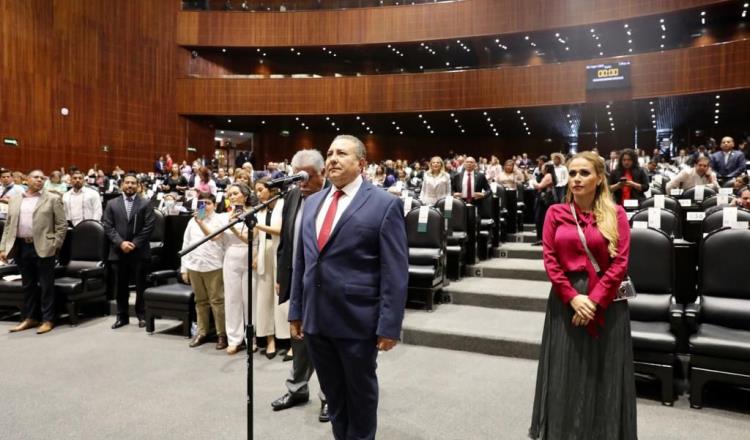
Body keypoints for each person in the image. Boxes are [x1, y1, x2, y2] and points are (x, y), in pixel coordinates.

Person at [289, 135, 408, 440]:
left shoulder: (384, 204)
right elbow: (302, 261)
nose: (332, 159)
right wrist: (296, 310)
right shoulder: (313, 202)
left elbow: (394, 271)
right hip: (316, 320)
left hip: (358, 320)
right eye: (329, 153)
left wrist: (389, 325)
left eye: (342, 153)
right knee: (334, 397)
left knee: (360, 396)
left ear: (361, 164)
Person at [529, 151, 636, 440]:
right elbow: (550, 260)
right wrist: (573, 297)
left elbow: (620, 264)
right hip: (566, 301)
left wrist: (594, 299)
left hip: (607, 301)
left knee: (604, 372)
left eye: (584, 173)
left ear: (599, 178)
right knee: (566, 371)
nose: (576, 178)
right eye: (573, 173)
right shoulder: (555, 212)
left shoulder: (616, 214)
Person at [271, 149, 329, 420]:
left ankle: (329, 396)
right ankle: (297, 388)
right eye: (298, 177)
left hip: (324, 286)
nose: (302, 184)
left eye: (307, 177)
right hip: (296, 280)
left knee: (326, 342)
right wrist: (282, 277)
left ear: (323, 174)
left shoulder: (333, 198)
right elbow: (285, 240)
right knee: (298, 337)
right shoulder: (293, 195)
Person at [0, 170, 67, 334]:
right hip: (22, 247)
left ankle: (48, 319)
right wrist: (3, 247)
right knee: (28, 285)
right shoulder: (15, 200)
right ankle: (30, 317)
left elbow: (61, 225)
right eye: (36, 177)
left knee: (46, 285)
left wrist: (54, 244)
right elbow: (8, 225)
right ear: (26, 180)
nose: (39, 180)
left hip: (44, 246)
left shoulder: (52, 198)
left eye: (42, 178)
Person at [103, 173, 156, 329]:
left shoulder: (146, 203)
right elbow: (107, 226)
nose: (130, 185)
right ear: (122, 185)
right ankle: (122, 316)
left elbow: (149, 227)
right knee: (120, 286)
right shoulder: (112, 203)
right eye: (127, 183)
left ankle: (142, 315)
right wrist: (121, 243)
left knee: (141, 286)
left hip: (139, 251)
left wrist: (133, 243)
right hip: (119, 251)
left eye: (133, 183)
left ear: (138, 185)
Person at [180, 192, 227, 350]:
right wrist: (184, 268)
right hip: (194, 265)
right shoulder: (191, 222)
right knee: (200, 301)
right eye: (201, 203)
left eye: (208, 203)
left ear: (214, 205)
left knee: (217, 301)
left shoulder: (219, 219)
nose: (204, 206)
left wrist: (200, 222)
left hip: (213, 265)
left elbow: (214, 236)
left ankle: (222, 334)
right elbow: (186, 243)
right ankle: (202, 332)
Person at [252, 177, 288, 359]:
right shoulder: (260, 210)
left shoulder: (283, 204)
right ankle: (269, 339)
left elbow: (282, 230)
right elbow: (255, 237)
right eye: (256, 191)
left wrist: (256, 224)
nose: (258, 194)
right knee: (264, 298)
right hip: (264, 252)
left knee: (282, 298)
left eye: (261, 190)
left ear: (271, 189)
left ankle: (289, 340)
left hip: (281, 252)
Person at [221, 182, 254, 355]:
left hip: (250, 254)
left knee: (249, 299)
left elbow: (251, 238)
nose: (232, 197)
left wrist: (233, 226)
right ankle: (234, 338)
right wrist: (201, 219)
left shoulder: (255, 212)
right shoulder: (224, 215)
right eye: (230, 195)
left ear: (245, 195)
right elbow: (216, 236)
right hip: (231, 256)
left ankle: (251, 337)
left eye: (235, 193)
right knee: (232, 299)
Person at [531, 163, 557, 246]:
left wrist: (532, 181)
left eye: (542, 167)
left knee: (540, 219)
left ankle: (542, 239)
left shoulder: (548, 175)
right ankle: (542, 239)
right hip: (545, 199)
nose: (541, 169)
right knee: (540, 219)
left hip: (545, 200)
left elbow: (539, 186)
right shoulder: (547, 175)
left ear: (546, 169)